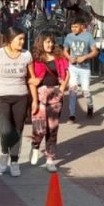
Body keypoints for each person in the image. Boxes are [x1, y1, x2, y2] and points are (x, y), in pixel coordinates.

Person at [0, 27, 37, 178]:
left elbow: (31, 78)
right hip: (1, 98)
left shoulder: (26, 55)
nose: (22, 42)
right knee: (6, 130)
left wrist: (35, 100)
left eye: (23, 39)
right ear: (10, 39)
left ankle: (14, 161)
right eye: (19, 39)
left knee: (17, 131)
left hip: (21, 97)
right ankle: (3, 153)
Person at [29, 34, 69, 172]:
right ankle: (35, 146)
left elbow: (66, 73)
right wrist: (34, 99)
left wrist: (62, 89)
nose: (50, 44)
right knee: (39, 128)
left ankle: (50, 158)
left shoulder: (59, 57)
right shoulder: (35, 59)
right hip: (40, 94)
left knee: (53, 128)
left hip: (55, 94)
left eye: (51, 41)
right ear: (40, 43)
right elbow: (31, 80)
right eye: (47, 42)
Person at [64, 17, 98, 122]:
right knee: (72, 90)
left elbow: (95, 51)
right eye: (72, 27)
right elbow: (65, 51)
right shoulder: (69, 36)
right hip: (73, 67)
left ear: (82, 26)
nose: (73, 29)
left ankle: (90, 105)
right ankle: (72, 114)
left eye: (76, 27)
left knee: (86, 90)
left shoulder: (88, 36)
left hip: (85, 69)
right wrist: (69, 57)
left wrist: (85, 57)